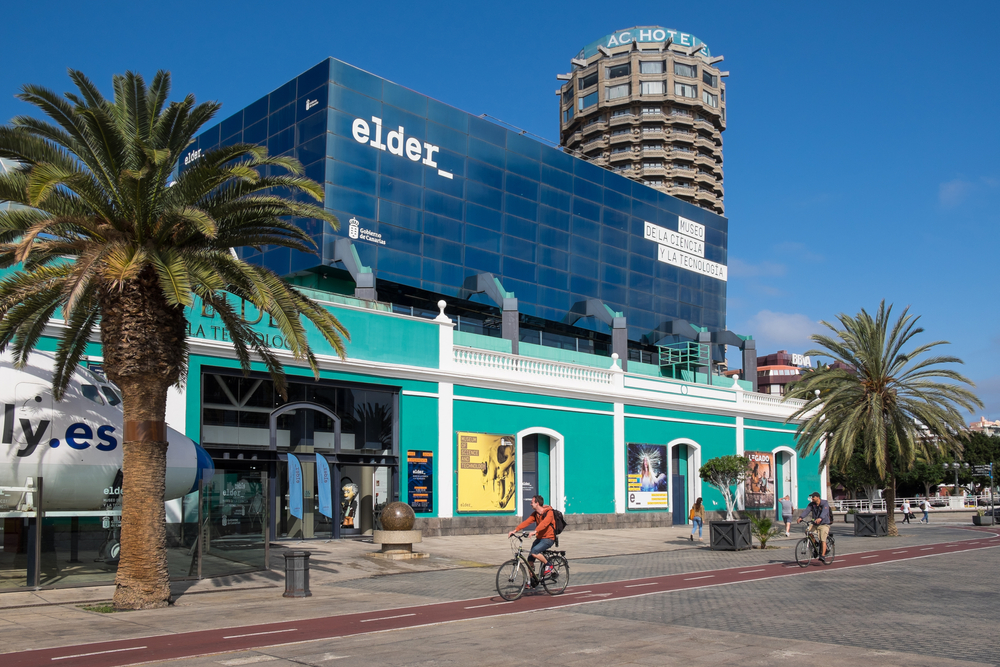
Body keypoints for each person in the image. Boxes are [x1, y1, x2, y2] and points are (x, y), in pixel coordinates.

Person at [509, 495, 556, 584]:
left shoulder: (549, 512)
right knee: (530, 559)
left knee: (534, 552)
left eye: (532, 502)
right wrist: (515, 530)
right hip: (540, 538)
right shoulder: (535, 514)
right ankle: (532, 580)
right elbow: (526, 522)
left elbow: (545, 523)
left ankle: (549, 565)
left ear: (537, 503)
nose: (530, 504)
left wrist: (535, 531)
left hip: (549, 538)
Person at [796, 491, 833, 562]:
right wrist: (801, 517)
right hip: (815, 524)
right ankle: (815, 543)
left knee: (823, 539)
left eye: (813, 497)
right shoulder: (812, 504)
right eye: (811, 497)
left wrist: (820, 518)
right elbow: (807, 511)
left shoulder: (824, 503)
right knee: (807, 531)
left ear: (818, 497)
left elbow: (825, 512)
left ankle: (822, 555)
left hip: (824, 524)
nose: (812, 498)